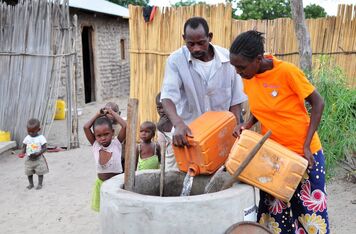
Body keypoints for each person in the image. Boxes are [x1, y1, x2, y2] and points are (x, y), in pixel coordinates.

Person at [229, 30, 329, 234]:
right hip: (273, 157)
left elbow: (318, 103)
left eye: (241, 67)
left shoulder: (287, 72)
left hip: (303, 155)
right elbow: (260, 109)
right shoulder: (248, 77)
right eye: (235, 67)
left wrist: (307, 144)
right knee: (276, 219)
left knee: (309, 217)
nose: (238, 72)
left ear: (258, 59)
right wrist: (246, 125)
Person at [160, 17, 247, 147]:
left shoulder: (228, 60)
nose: (196, 49)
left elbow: (235, 101)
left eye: (201, 43)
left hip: (220, 139)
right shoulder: (175, 60)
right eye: (191, 44)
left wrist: (233, 129)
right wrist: (178, 124)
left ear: (210, 37)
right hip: (187, 138)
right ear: (184, 38)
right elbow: (167, 98)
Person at [83, 106, 126, 212]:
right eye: (99, 135)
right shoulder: (95, 145)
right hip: (101, 184)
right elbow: (85, 127)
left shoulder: (116, 143)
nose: (103, 138)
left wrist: (111, 112)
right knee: (104, 211)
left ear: (112, 132)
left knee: (117, 210)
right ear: (95, 136)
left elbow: (125, 126)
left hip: (117, 185)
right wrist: (98, 114)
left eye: (106, 134)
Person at [19, 118, 49, 190]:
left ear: (39, 130)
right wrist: (22, 153)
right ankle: (31, 184)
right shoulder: (27, 138)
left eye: (33, 132)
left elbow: (45, 148)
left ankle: (40, 184)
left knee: (40, 172)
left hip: (38, 159)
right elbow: (24, 146)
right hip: (29, 159)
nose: (31, 133)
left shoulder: (41, 138)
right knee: (28, 172)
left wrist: (38, 153)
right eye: (29, 131)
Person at [155, 92, 177, 171]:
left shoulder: (179, 122)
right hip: (170, 164)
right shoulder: (161, 125)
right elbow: (162, 149)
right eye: (158, 108)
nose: (161, 110)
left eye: (164, 107)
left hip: (180, 162)